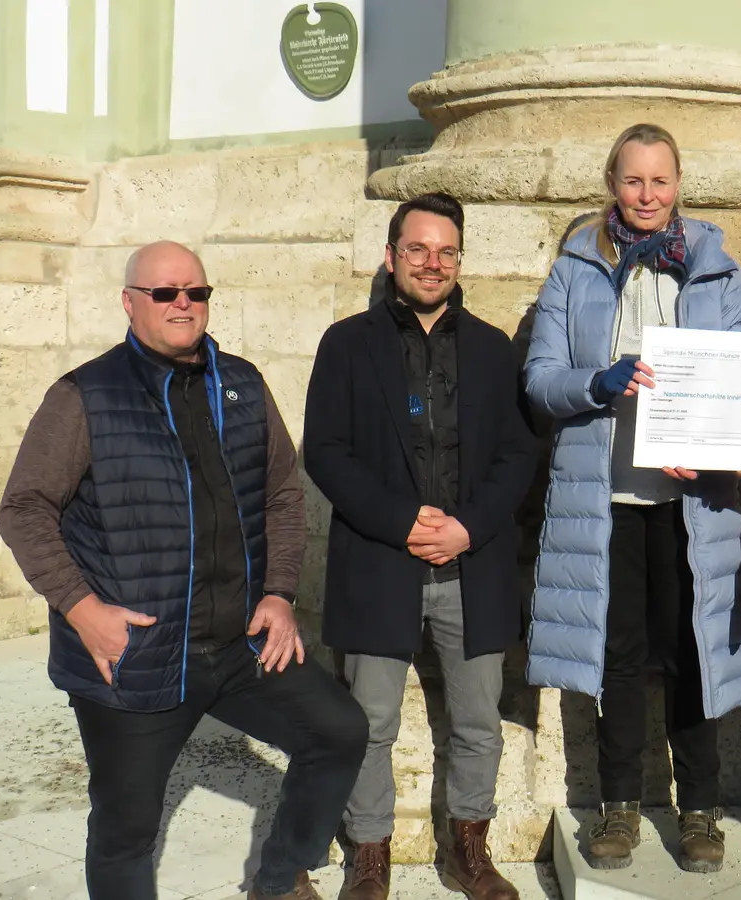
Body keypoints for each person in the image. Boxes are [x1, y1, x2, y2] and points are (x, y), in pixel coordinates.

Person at [0, 240, 368, 900]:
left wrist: (279, 593)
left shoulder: (243, 384)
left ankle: (280, 881)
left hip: (237, 647)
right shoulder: (86, 394)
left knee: (339, 732)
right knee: (125, 831)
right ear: (130, 303)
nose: (182, 304)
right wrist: (83, 612)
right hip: (136, 658)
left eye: (195, 292)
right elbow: (24, 509)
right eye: (165, 293)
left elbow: (283, 490)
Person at [522, 123, 741, 874]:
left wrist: (726, 442)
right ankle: (620, 806)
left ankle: (700, 809)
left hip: (692, 504)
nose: (646, 195)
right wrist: (595, 383)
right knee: (618, 655)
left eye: (659, 181)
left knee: (694, 652)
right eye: (633, 181)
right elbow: (539, 379)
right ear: (612, 183)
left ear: (678, 183)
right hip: (606, 499)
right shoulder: (574, 270)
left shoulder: (716, 273)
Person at [303, 192, 537, 900]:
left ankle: (470, 849)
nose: (432, 264)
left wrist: (466, 525)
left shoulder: (494, 350)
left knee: (476, 721)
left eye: (446, 251)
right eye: (418, 249)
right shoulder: (347, 343)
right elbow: (327, 452)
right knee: (368, 722)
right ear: (391, 255)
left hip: (474, 562)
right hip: (381, 560)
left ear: (459, 259)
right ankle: (369, 855)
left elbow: (519, 453)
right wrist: (402, 520)